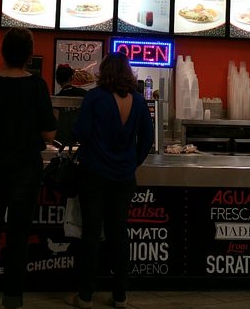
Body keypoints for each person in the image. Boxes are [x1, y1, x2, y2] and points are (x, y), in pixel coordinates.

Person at [0, 27, 56, 309]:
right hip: (25, 169)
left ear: (3, 52)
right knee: (18, 234)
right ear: (29, 55)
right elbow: (49, 133)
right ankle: (13, 296)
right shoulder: (37, 86)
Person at [67, 53, 154, 309]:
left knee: (91, 234)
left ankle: (85, 296)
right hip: (123, 177)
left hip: (94, 175)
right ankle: (120, 296)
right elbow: (147, 139)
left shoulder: (95, 97)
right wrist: (132, 162)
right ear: (128, 72)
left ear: (104, 71)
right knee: (119, 234)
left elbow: (81, 132)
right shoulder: (139, 101)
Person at [53, 64, 88, 145]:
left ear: (57, 80)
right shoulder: (84, 94)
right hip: (81, 138)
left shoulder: (56, 99)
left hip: (62, 141)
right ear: (71, 78)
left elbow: (55, 122)